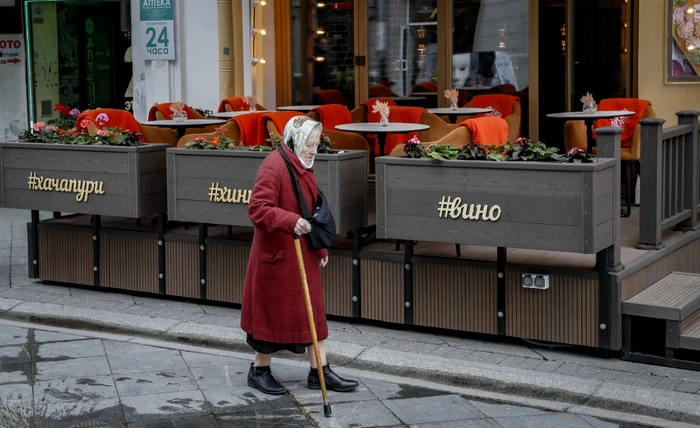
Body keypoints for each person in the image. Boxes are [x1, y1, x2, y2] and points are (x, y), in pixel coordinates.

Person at [241, 115, 359, 396]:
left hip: (301, 253)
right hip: (277, 256)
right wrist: (289, 220)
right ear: (293, 140)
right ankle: (259, 371)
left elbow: (312, 211)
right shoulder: (274, 166)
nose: (313, 149)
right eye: (308, 143)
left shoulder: (303, 166)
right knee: (270, 318)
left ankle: (320, 370)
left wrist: (319, 246)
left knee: (313, 314)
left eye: (316, 143)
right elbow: (257, 208)